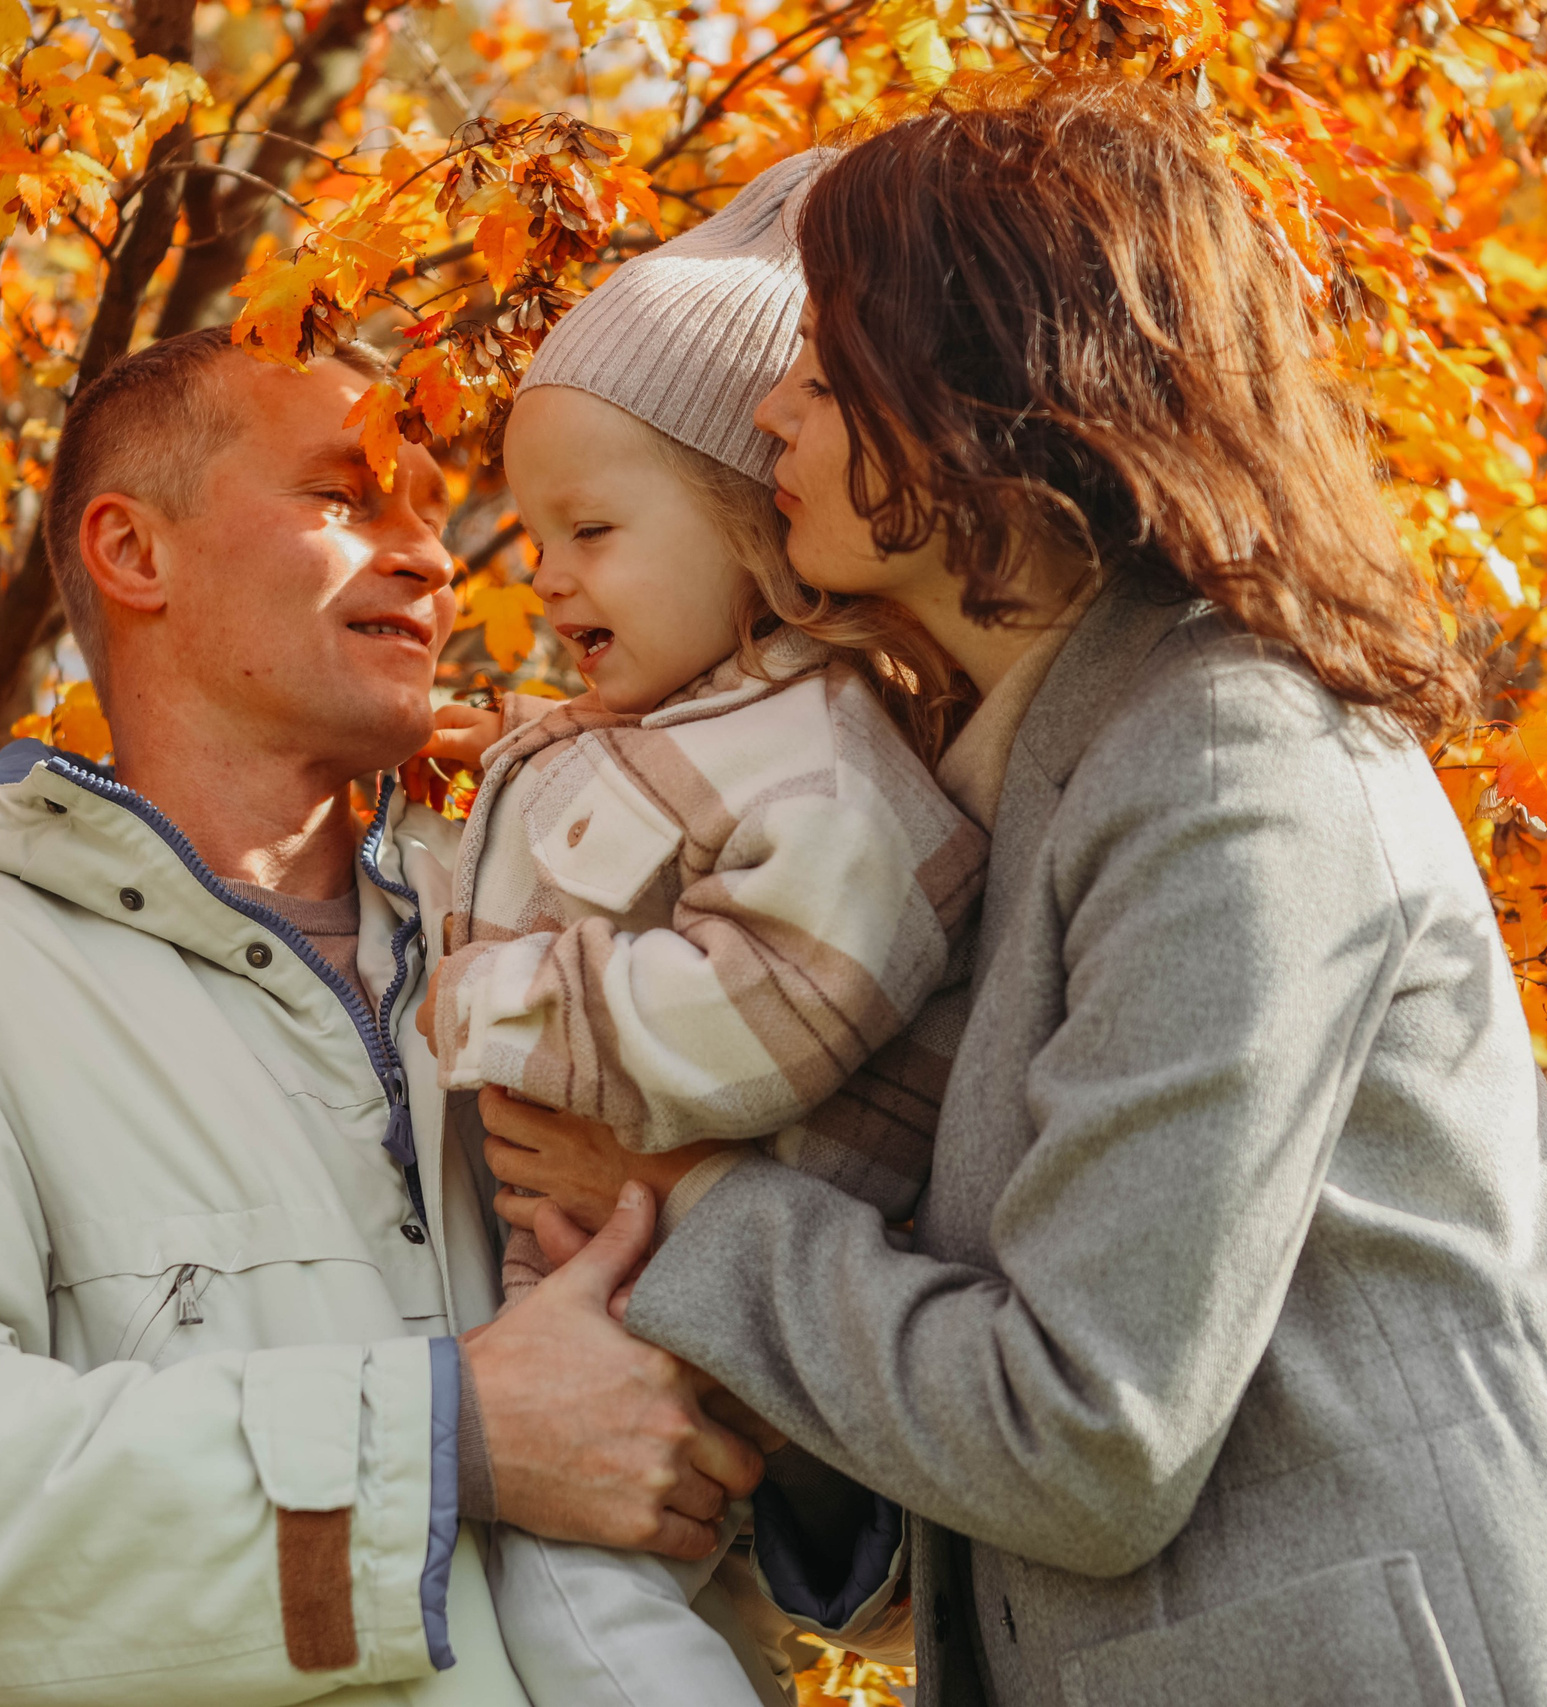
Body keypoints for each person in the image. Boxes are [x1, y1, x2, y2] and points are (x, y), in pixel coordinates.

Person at [476, 78, 1547, 1707]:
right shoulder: (987, 797)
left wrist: (689, 1202)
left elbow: (1091, 1435)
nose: (770, 420)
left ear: (982, 397)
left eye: (821, 372)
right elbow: (1003, 1478)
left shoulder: (1228, 763)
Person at [0, 329, 764, 1707]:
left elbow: (897, 1534)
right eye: (346, 496)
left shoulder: (575, 945)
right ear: (135, 554)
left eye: (435, 515)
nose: (435, 560)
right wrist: (449, 1441)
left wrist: (792, 1474)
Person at [409, 155, 976, 1707]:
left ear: (751, 520)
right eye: (535, 538)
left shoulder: (831, 754)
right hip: (603, 1295)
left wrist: (501, 1004)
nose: (548, 576)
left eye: (591, 529)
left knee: (590, 1621)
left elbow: (788, 994)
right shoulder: (683, 722)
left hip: (700, 1314)